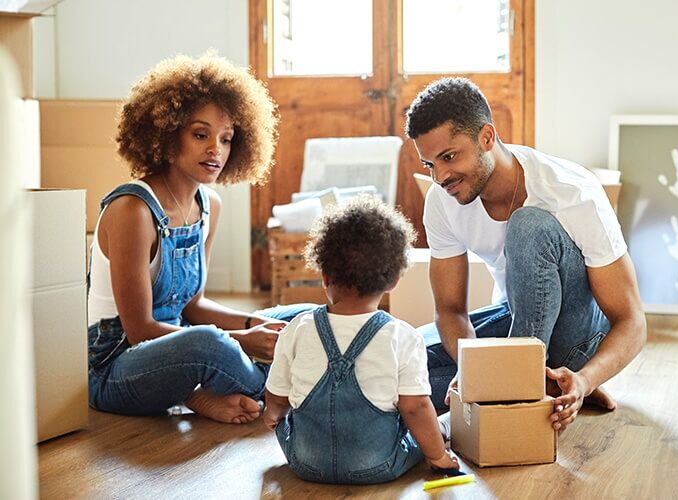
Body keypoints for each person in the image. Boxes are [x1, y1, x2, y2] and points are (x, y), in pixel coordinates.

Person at [404, 77, 647, 432]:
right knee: (405, 362)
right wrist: (472, 372)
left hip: (578, 334)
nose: (440, 176)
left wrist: (586, 378)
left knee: (529, 226)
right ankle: (540, 387)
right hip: (518, 316)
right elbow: (450, 310)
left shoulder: (571, 193)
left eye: (449, 157)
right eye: (429, 164)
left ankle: (537, 384)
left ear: (486, 137)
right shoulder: (443, 200)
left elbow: (632, 322)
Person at [87, 54, 313, 424]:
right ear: (167, 132)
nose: (216, 151)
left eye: (226, 139)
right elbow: (139, 329)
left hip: (184, 344)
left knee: (304, 317)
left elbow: (193, 306)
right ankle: (298, 390)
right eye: (200, 134)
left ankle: (208, 392)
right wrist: (241, 341)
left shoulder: (210, 205)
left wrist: (252, 323)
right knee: (210, 344)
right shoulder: (132, 209)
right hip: (116, 367)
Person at [263, 196, 458, 484]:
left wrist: (274, 413)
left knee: (287, 420)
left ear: (325, 277)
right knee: (435, 425)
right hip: (380, 465)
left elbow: (277, 397)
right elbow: (415, 407)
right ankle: (445, 432)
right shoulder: (402, 336)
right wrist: (438, 457)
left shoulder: (298, 328)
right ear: (393, 281)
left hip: (304, 463)